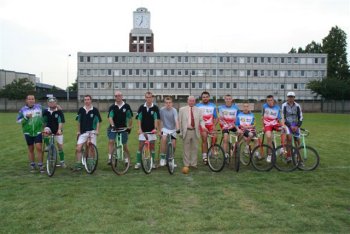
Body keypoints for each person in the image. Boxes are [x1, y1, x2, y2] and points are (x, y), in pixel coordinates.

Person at [73, 95, 102, 171]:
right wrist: (78, 131)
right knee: (78, 148)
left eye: (88, 99)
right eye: (85, 100)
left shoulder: (95, 110)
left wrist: (97, 130)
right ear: (84, 101)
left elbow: (98, 121)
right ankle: (78, 164)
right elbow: (79, 121)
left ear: (91, 100)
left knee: (91, 148)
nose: (86, 101)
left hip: (92, 132)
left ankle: (91, 163)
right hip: (83, 132)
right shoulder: (81, 110)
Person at [16, 94, 44, 172]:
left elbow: (48, 111)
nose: (31, 100)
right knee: (31, 148)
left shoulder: (40, 107)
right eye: (29, 99)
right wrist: (26, 117)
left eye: (33, 99)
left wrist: (56, 108)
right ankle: (32, 164)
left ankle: (40, 165)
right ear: (26, 100)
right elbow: (18, 120)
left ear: (34, 100)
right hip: (28, 132)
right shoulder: (22, 110)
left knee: (39, 147)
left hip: (38, 131)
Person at [134, 91, 160, 169]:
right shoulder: (141, 107)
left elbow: (156, 119)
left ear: (152, 98)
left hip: (152, 131)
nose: (149, 99)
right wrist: (139, 129)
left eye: (150, 97)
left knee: (152, 147)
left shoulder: (155, 108)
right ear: (145, 98)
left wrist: (155, 129)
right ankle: (138, 162)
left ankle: (152, 162)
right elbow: (139, 119)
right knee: (140, 146)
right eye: (147, 97)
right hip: (143, 131)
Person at [179, 96, 206, 168]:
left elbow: (201, 120)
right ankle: (186, 164)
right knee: (186, 148)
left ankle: (193, 164)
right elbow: (180, 121)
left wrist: (203, 126)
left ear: (195, 101)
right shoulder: (182, 110)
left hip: (195, 131)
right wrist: (180, 132)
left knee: (195, 148)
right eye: (190, 100)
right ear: (187, 101)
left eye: (193, 101)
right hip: (186, 131)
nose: (191, 102)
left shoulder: (199, 110)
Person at [107, 91, 133, 165]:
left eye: (119, 95)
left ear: (122, 96)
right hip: (113, 128)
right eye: (116, 96)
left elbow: (130, 118)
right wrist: (112, 125)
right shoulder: (112, 107)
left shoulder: (126, 106)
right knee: (111, 141)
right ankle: (110, 158)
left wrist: (129, 127)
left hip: (123, 128)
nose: (117, 97)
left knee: (124, 145)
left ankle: (127, 160)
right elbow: (110, 117)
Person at [42, 97, 67, 168]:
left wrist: (59, 130)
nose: (51, 103)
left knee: (60, 147)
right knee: (45, 132)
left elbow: (60, 121)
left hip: (57, 129)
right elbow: (44, 121)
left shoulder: (59, 111)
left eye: (53, 102)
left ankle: (62, 162)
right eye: (50, 102)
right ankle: (48, 145)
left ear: (56, 103)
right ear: (48, 103)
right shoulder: (45, 111)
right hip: (49, 128)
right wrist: (43, 129)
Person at [196, 91, 218, 164]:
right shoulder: (197, 106)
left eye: (206, 97)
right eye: (203, 97)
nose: (205, 98)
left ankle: (212, 150)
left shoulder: (213, 106)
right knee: (204, 138)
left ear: (209, 98)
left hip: (211, 125)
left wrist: (214, 125)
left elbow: (216, 118)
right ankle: (204, 156)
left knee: (215, 136)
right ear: (201, 98)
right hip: (202, 125)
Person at [261, 94, 283, 163]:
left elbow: (279, 118)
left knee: (285, 130)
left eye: (271, 100)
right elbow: (262, 117)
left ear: (273, 100)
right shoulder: (264, 106)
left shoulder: (277, 107)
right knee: (268, 136)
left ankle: (281, 148)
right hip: (267, 124)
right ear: (266, 101)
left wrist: (283, 125)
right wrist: (263, 126)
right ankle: (269, 155)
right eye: (268, 100)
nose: (269, 102)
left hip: (275, 124)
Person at [159, 96, 180, 167]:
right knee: (164, 139)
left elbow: (176, 120)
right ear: (164, 103)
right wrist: (160, 130)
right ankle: (162, 158)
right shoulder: (161, 110)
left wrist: (177, 129)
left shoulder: (174, 110)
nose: (168, 104)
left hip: (173, 129)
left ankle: (171, 159)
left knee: (173, 145)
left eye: (169, 103)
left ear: (172, 103)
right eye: (166, 103)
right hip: (165, 128)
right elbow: (161, 121)